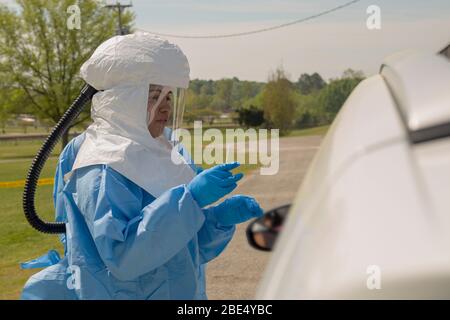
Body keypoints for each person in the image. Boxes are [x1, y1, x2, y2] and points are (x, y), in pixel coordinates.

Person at [21, 33, 263, 300]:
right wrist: (191, 200)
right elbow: (125, 259)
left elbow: (182, 249)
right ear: (123, 99)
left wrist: (217, 220)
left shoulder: (167, 152)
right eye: (155, 96)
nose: (165, 107)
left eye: (169, 96)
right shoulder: (102, 164)